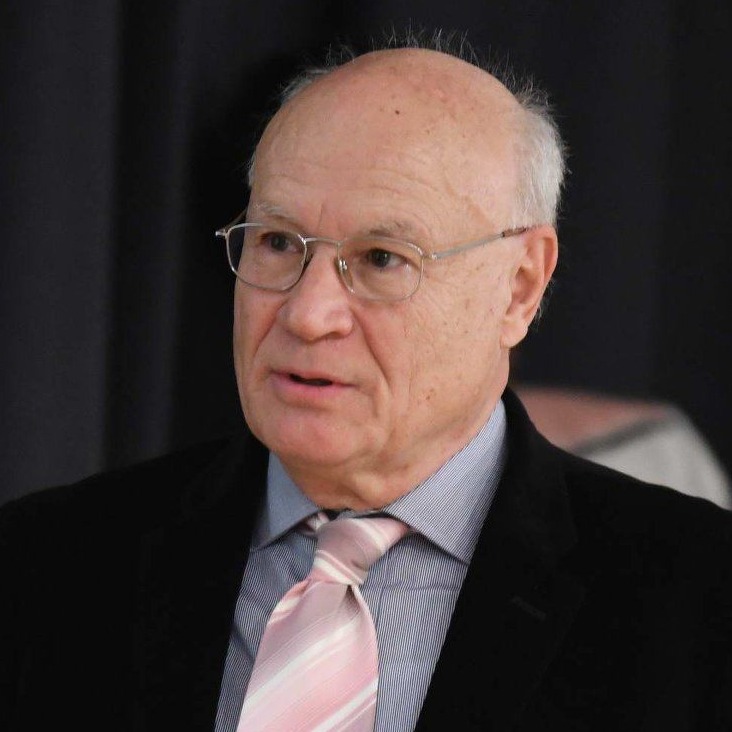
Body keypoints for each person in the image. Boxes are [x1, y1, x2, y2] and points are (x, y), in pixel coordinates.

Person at [2, 35, 731, 732]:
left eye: (383, 258)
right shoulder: (47, 566)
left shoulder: (696, 603)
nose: (307, 313)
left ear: (519, 286)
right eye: (277, 242)